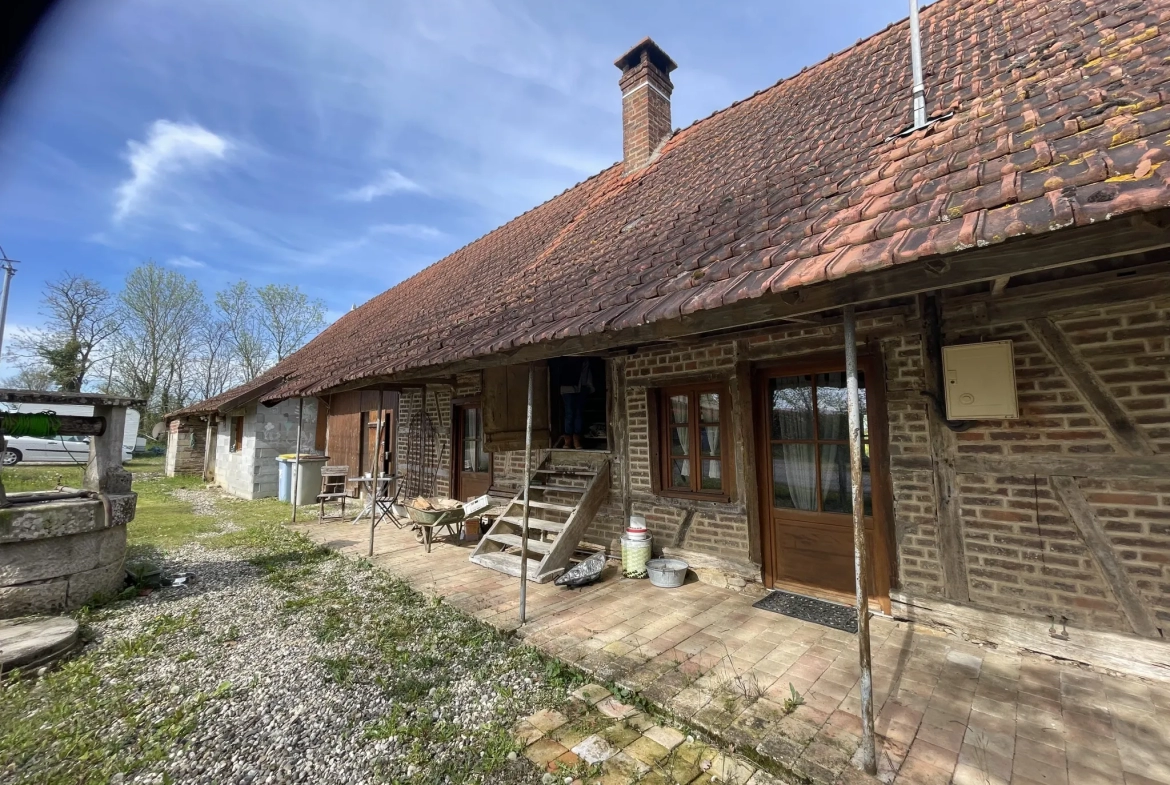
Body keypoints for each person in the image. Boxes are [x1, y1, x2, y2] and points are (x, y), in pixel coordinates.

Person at [558, 359, 594, 449]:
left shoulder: (584, 360)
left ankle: (576, 438)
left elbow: (587, 372)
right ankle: (568, 439)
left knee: (579, 413)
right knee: (569, 413)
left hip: (582, 387)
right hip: (568, 388)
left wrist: (589, 386)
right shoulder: (565, 359)